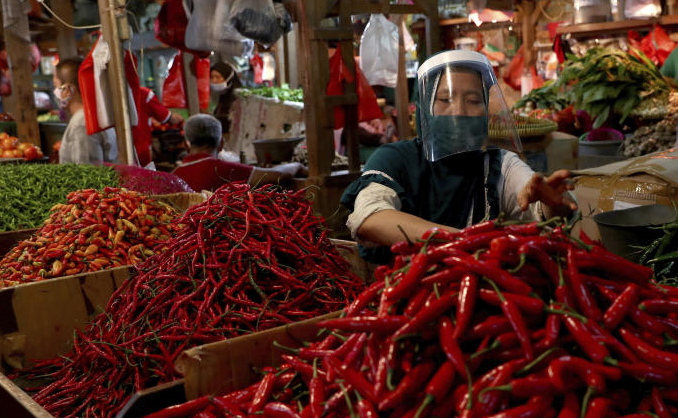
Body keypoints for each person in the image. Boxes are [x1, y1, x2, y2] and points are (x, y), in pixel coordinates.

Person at [341, 50, 576, 264]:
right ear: (424, 108)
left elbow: (537, 211)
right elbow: (369, 217)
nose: (460, 111)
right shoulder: (395, 158)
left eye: (473, 101)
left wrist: (551, 205)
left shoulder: (499, 165)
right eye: (445, 100)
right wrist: (466, 241)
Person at [171, 114, 305, 191]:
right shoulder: (223, 169)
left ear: (186, 145)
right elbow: (279, 175)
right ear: (221, 143)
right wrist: (297, 166)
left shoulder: (173, 176)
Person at [53, 58, 116, 165]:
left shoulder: (81, 124)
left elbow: (88, 173)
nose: (56, 92)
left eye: (57, 87)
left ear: (68, 90)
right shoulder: (91, 115)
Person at [209, 61, 242, 134]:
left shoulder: (237, 97)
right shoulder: (222, 95)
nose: (214, 80)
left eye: (218, 77)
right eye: (211, 77)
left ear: (228, 78)